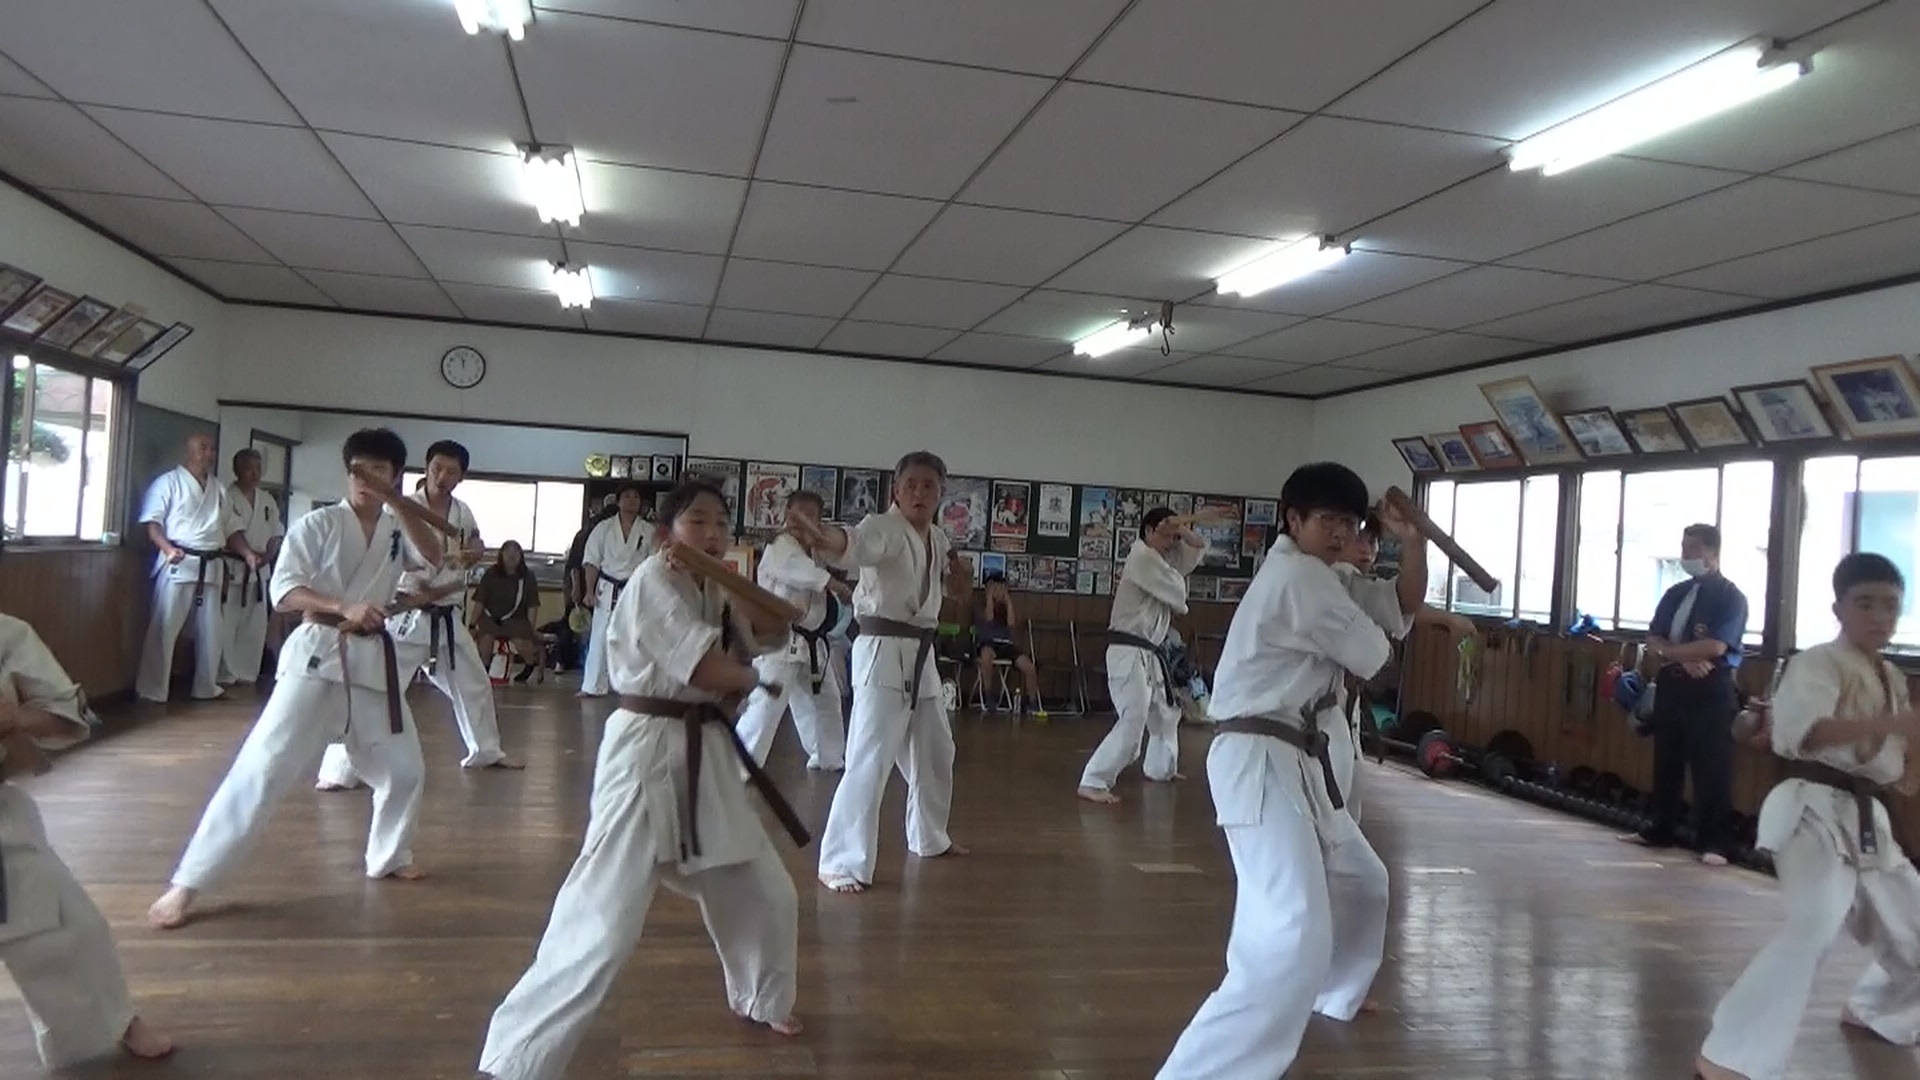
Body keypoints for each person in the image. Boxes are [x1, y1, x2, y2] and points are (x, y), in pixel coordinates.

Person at [476, 481, 807, 1079]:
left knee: (765, 893)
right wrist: (752, 679)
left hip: (704, 752)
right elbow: (705, 669)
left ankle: (762, 997)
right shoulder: (653, 580)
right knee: (603, 922)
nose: (712, 533)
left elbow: (773, 629)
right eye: (698, 521)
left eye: (721, 524)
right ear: (665, 535)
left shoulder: (711, 584)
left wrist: (744, 592)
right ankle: (516, 1058)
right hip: (646, 751)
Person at [1156, 462, 1417, 1079]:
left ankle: (1330, 992)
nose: (1340, 532)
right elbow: (1375, 652)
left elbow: (1400, 607)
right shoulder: (1301, 578)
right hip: (1260, 758)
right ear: (1293, 521)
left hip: (1291, 756)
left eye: (1348, 522)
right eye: (1327, 520)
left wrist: (1414, 544)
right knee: (1295, 928)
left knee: (1349, 885)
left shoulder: (1322, 574)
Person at [147, 428, 446, 930]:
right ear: (348, 472)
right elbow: (284, 592)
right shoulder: (319, 524)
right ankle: (189, 883)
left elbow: (434, 556)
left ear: (396, 476)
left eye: (380, 470)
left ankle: (389, 855)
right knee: (264, 767)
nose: (368, 479)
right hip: (317, 655)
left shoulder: (398, 530)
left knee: (405, 769)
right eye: (360, 469)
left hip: (372, 663)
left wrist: (400, 504)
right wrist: (343, 605)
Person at [1694, 553, 1920, 1080]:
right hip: (1810, 806)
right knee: (1814, 925)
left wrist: (1906, 763)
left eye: (1891, 606)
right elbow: (1805, 732)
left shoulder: (1890, 675)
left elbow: (1892, 756)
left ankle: (1878, 1010)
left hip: (1867, 816)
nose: (1880, 616)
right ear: (1839, 608)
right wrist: (1892, 723)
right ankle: (1727, 1053)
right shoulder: (1817, 662)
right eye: (1866, 604)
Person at [786, 451, 973, 895]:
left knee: (936, 750)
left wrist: (961, 577)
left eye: (929, 485)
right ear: (896, 490)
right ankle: (840, 861)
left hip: (922, 653)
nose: (919, 493)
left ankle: (929, 836)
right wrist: (824, 536)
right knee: (870, 758)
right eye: (911, 485)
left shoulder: (938, 538)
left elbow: (956, 592)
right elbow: (853, 544)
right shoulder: (882, 527)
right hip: (883, 650)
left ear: (942, 492)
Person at [0, 614, 174, 1067]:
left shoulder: (6, 633)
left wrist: (17, 717)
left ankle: (113, 1020)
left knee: (71, 927)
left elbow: (67, 717)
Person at [314, 440, 521, 789]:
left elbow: (472, 544)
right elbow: (386, 556)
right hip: (406, 614)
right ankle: (340, 770)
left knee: (474, 685)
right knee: (373, 687)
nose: (442, 476)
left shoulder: (462, 512)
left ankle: (486, 751)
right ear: (425, 468)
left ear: (461, 477)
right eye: (437, 468)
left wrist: (475, 551)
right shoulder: (400, 509)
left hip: (446, 614)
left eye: (452, 471)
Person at [1623, 524, 1748, 866]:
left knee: (1710, 764)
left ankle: (1714, 842)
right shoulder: (1675, 593)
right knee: (1667, 759)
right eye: (1683, 547)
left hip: (1711, 687)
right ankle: (1660, 828)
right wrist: (1680, 658)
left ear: (1713, 552)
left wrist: (1672, 652)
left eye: (1693, 548)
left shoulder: (1731, 597)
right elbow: (1653, 637)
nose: (1685, 554)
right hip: (1672, 684)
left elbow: (1716, 646)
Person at [1077, 509, 1204, 803]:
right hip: (1128, 651)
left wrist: (1182, 530)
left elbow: (1194, 552)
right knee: (1133, 718)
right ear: (1148, 532)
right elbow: (1178, 595)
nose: (1172, 544)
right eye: (1167, 536)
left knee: (1165, 713)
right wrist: (1174, 529)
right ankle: (1093, 780)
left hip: (1148, 652)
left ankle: (1161, 769)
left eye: (1174, 538)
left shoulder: (1161, 562)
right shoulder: (1141, 558)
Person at [734, 490, 848, 771]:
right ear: (788, 514)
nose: (804, 520)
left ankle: (828, 757)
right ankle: (738, 766)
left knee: (825, 701)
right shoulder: (780, 545)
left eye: (812, 515)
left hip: (811, 642)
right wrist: (837, 586)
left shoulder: (815, 549)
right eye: (799, 513)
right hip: (780, 640)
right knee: (767, 704)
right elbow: (802, 573)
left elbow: (843, 556)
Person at [134, 432, 233, 703]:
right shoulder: (167, 483)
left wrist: (244, 554)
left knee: (212, 630)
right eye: (202, 448)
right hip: (178, 560)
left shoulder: (219, 489)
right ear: (187, 451)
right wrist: (167, 549)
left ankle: (206, 686)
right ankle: (153, 689)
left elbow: (229, 528)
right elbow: (153, 525)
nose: (208, 454)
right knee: (165, 626)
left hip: (211, 563)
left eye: (211, 449)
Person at [217, 447, 284, 687]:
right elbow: (227, 530)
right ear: (237, 470)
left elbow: (276, 532)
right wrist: (248, 554)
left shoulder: (267, 500)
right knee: (227, 624)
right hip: (233, 568)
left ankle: (248, 673)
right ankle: (225, 674)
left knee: (254, 626)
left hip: (259, 570)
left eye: (258, 468)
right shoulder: (226, 496)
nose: (255, 474)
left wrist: (268, 555)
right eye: (249, 468)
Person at [578, 483, 652, 699]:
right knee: (600, 635)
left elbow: (654, 565)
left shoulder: (648, 530)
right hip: (607, 587)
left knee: (635, 637)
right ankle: (593, 685)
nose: (632, 501)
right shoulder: (603, 528)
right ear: (618, 501)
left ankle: (632, 686)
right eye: (627, 496)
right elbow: (592, 561)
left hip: (635, 587)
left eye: (636, 497)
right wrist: (589, 591)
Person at [972, 572, 1046, 716]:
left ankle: (1033, 702)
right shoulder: (980, 604)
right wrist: (989, 597)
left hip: (1006, 645)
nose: (998, 591)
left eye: (1001, 587)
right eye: (994, 587)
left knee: (1029, 666)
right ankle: (988, 695)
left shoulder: (1005, 606)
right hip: (988, 643)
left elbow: (1011, 623)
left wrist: (1007, 600)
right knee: (986, 656)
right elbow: (989, 618)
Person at [561, 495, 619, 671]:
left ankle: (576, 662)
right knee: (576, 624)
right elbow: (576, 563)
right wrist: (577, 588)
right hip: (583, 581)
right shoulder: (597, 529)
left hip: (596, 584)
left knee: (586, 626)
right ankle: (566, 661)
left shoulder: (592, 527)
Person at [472, 540, 543, 684]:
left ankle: (529, 665)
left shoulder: (528, 576)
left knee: (522, 642)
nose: (511, 556)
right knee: (486, 640)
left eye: (515, 552)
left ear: (521, 556)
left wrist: (531, 628)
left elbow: (532, 605)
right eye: (508, 553)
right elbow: (480, 601)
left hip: (517, 619)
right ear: (501, 555)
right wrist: (472, 624)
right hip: (490, 618)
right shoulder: (491, 574)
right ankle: (484, 670)